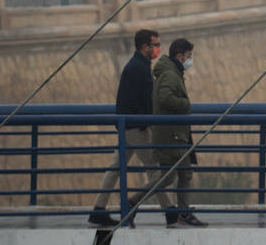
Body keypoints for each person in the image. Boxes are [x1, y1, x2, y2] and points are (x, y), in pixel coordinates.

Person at [88, 27, 171, 227]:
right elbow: (134, 100)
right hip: (137, 129)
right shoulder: (137, 68)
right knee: (158, 171)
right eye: (156, 45)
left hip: (129, 127)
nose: (158, 49)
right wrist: (143, 124)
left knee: (116, 168)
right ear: (145, 47)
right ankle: (163, 210)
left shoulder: (137, 65)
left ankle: (98, 209)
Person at [152, 37, 207, 226]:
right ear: (179, 55)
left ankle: (183, 213)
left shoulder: (172, 72)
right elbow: (165, 98)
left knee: (182, 174)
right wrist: (185, 104)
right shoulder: (170, 74)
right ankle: (132, 201)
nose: (190, 60)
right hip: (172, 135)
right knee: (172, 177)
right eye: (189, 56)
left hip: (174, 134)